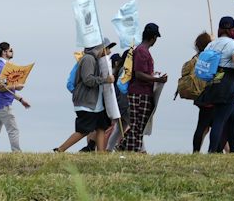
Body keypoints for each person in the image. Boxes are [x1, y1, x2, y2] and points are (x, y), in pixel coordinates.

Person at [187, 16, 234, 154]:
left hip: (213, 83)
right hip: (228, 84)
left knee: (233, 117)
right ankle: (212, 152)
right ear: (233, 29)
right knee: (220, 120)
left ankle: (232, 150)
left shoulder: (211, 44)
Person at [54, 39, 116, 153]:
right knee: (84, 130)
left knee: (101, 126)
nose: (109, 52)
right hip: (87, 103)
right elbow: (88, 79)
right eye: (107, 48)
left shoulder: (96, 60)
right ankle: (60, 149)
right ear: (100, 48)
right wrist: (105, 80)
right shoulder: (89, 59)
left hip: (96, 104)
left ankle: (101, 153)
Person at [111, 24, 162, 153]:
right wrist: (157, 79)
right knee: (139, 126)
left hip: (141, 92)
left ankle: (124, 148)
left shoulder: (141, 50)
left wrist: (154, 76)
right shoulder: (142, 51)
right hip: (140, 93)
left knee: (138, 126)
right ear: (154, 37)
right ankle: (132, 150)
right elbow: (139, 74)